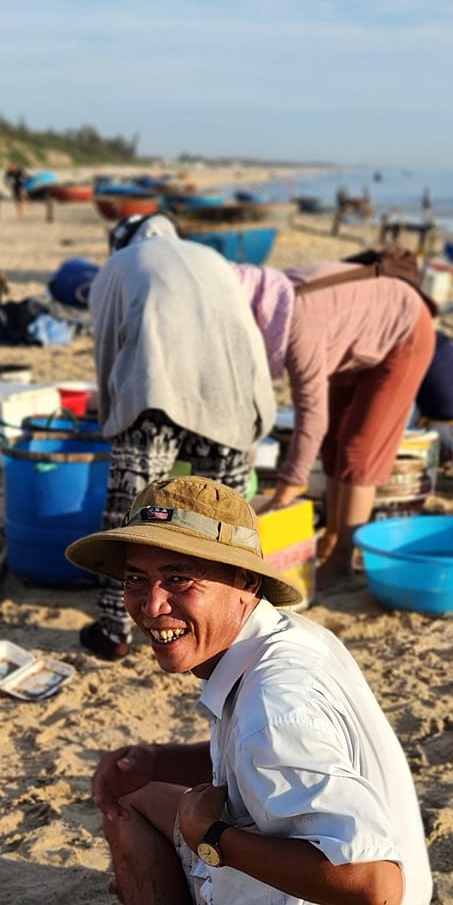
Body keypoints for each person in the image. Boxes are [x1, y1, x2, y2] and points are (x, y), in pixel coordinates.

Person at [0, 476, 432, 905]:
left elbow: (376, 886)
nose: (152, 606)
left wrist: (214, 838)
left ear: (245, 583)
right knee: (134, 796)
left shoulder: (275, 708)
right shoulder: (287, 640)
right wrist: (154, 760)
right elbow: (259, 766)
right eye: (136, 580)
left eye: (179, 580)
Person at [82, 215, 273, 661]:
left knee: (132, 516)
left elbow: (108, 344)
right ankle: (233, 626)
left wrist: (113, 412)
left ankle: (114, 632)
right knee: (219, 520)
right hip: (226, 391)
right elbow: (244, 335)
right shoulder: (210, 258)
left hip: (153, 387)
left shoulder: (118, 264)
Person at [236, 258, 436, 584]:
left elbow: (310, 418)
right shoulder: (271, 296)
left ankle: (345, 556)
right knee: (332, 443)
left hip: (405, 330)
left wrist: (285, 493)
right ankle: (331, 535)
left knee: (359, 449)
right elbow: (319, 430)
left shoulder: (298, 326)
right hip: (352, 337)